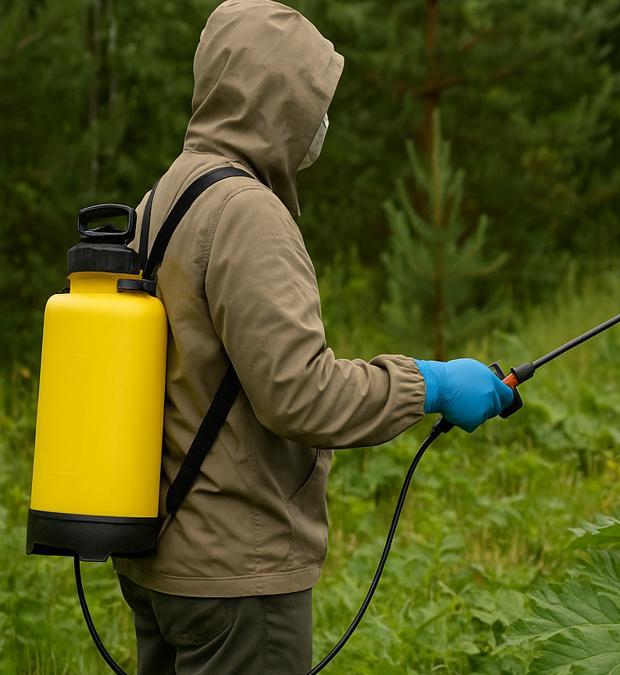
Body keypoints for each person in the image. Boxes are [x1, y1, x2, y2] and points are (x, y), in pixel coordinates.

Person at [112, 1, 514, 672]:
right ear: (278, 102)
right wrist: (434, 382)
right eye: (314, 99)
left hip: (164, 559)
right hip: (236, 573)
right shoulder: (246, 213)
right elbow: (299, 395)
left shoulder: (167, 193)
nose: (322, 120)